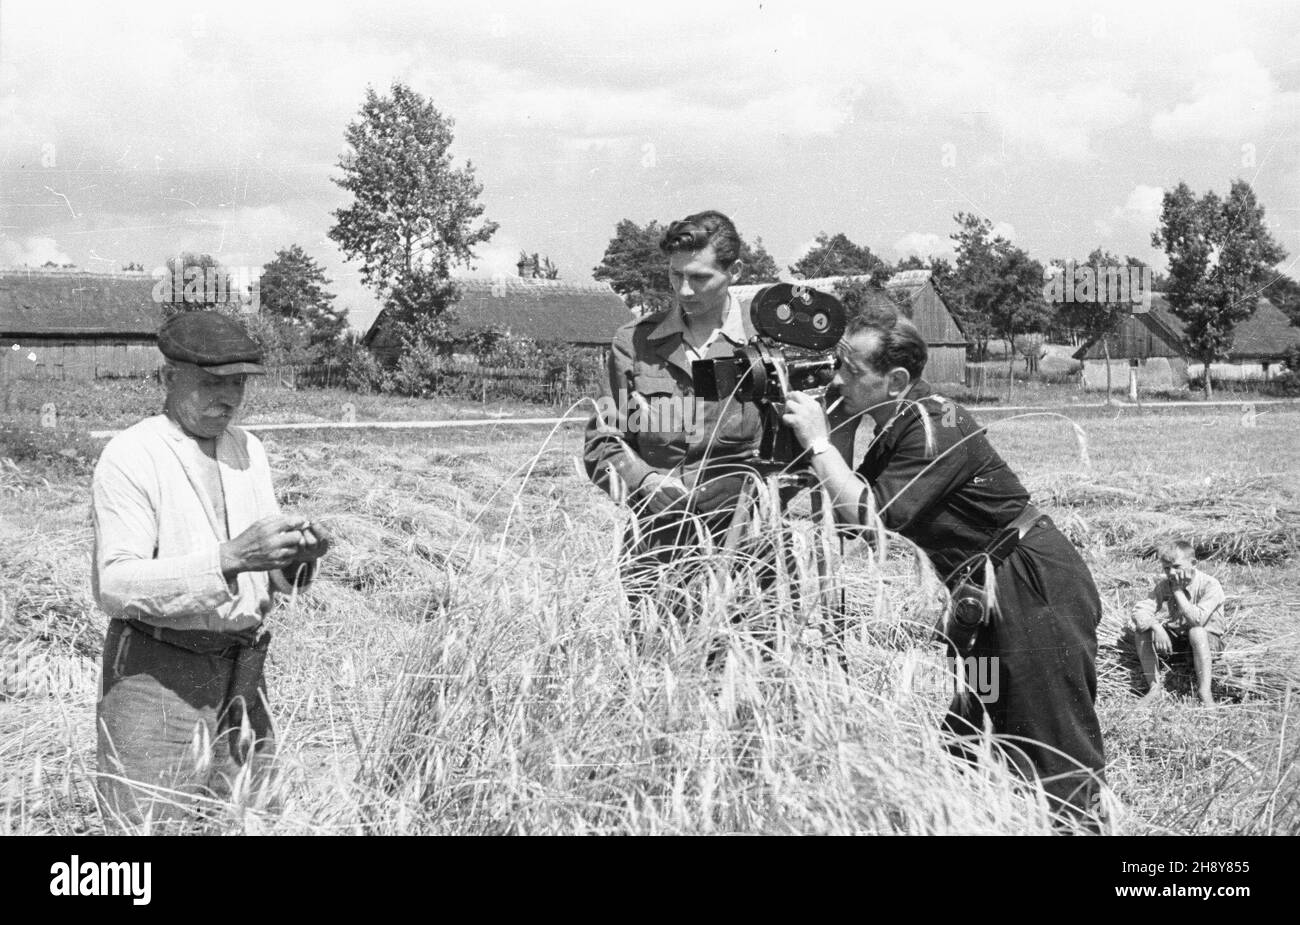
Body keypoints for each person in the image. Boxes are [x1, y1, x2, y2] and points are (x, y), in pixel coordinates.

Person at [781, 303, 1107, 824]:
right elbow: (842, 520)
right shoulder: (896, 427)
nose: (836, 377)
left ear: (896, 380)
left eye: (850, 370)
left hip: (1031, 587)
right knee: (972, 738)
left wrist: (818, 441)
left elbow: (873, 521)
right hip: (982, 601)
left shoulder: (935, 422)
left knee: (1055, 748)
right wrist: (838, 427)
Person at [92, 310, 330, 829]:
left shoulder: (248, 450)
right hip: (156, 672)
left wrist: (297, 561)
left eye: (239, 385)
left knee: (248, 818)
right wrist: (229, 558)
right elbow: (115, 585)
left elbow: (270, 577)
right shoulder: (132, 455)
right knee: (146, 828)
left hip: (242, 671)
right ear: (167, 377)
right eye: (212, 384)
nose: (229, 399)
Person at [584, 210, 778, 635]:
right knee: (654, 674)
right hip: (658, 547)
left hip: (745, 550)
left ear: (735, 271)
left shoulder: (768, 347)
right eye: (675, 276)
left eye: (700, 277)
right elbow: (603, 444)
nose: (684, 290)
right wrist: (646, 481)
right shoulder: (634, 343)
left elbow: (798, 453)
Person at [1132, 540, 1225, 706]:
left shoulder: (1210, 584)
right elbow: (1141, 610)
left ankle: (1205, 691)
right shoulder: (1164, 585)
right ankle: (1154, 688)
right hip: (1181, 639)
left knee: (1196, 632)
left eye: (1176, 566)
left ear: (1193, 563)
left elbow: (1197, 620)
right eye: (1166, 568)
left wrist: (1177, 591)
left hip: (1207, 643)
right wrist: (1156, 626)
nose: (1171, 573)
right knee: (1142, 631)